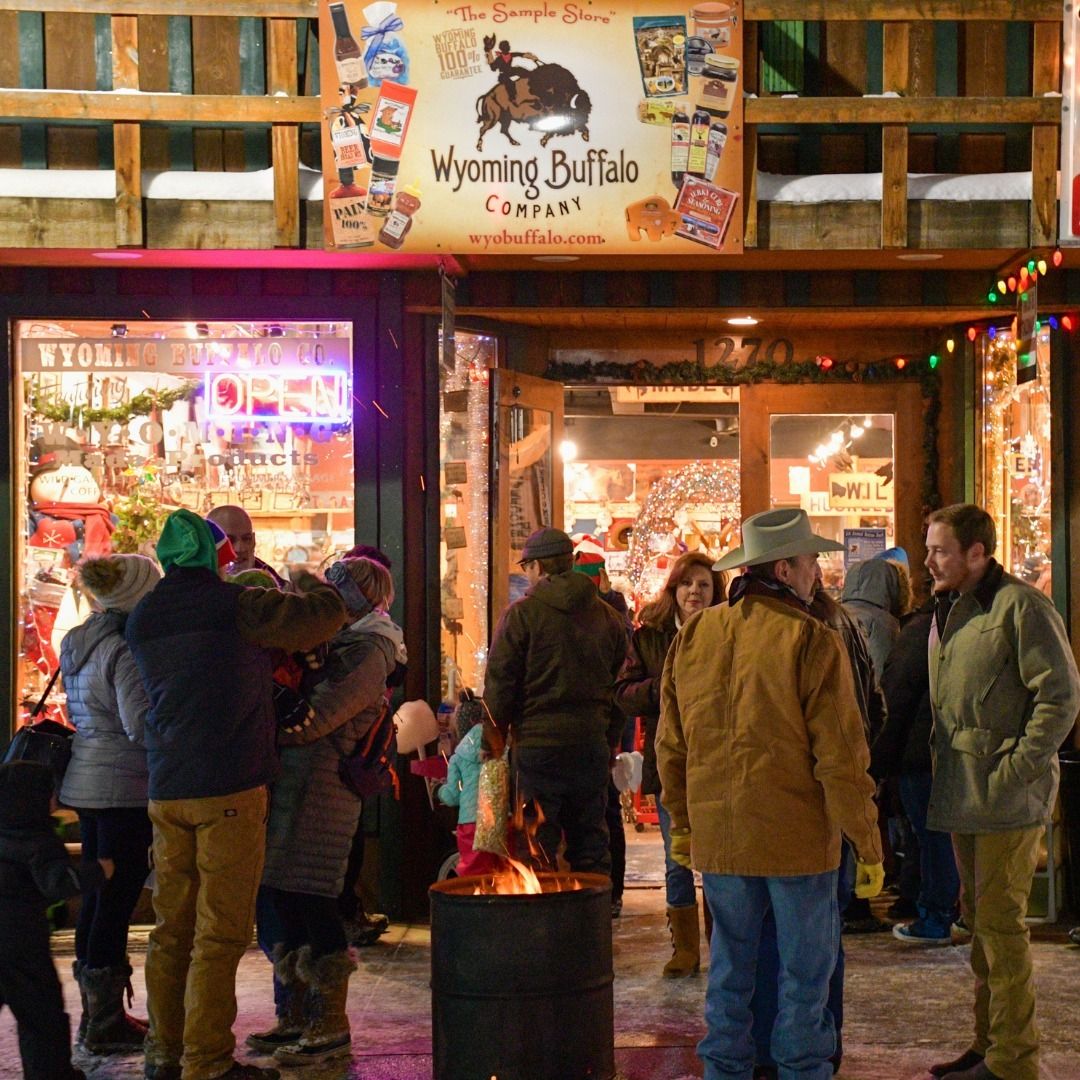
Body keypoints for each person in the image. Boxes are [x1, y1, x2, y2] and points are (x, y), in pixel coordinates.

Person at [656, 508, 883, 1080]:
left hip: (721, 839)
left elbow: (670, 746)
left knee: (731, 967)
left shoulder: (696, 636)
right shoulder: (811, 638)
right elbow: (842, 755)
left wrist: (682, 824)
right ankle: (802, 1070)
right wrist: (868, 842)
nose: (818, 573)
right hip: (796, 839)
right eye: (811, 562)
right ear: (785, 568)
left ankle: (725, 1069)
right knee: (805, 974)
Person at [125, 508, 346, 1080]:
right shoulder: (236, 606)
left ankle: (163, 1053)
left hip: (167, 786)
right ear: (213, 555)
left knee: (171, 930)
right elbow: (322, 619)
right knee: (219, 932)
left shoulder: (144, 615)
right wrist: (308, 580)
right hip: (228, 784)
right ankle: (207, 1062)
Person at [923, 504, 1080, 1080]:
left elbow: (1060, 696)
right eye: (929, 548)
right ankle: (989, 1042)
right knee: (979, 921)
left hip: (1005, 795)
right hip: (965, 789)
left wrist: (1016, 769)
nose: (929, 560)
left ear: (976, 553)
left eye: (940, 550)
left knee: (1002, 926)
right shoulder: (955, 607)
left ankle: (1014, 1060)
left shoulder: (1021, 606)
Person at [252, 556, 405, 1067]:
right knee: (286, 898)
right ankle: (295, 1012)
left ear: (365, 595)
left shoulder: (369, 650)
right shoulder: (340, 643)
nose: (334, 594)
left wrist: (272, 727)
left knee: (315, 899)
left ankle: (329, 1020)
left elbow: (319, 718)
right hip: (297, 783)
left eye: (344, 586)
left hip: (324, 791)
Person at [59, 554, 161, 1054]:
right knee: (116, 900)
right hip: (122, 785)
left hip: (86, 779)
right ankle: (105, 1022)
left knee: (97, 898)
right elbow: (137, 723)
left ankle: (95, 1015)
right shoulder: (123, 649)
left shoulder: (77, 639)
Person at [484, 527, 628, 877]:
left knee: (536, 847)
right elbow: (619, 690)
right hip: (590, 746)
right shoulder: (608, 617)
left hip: (537, 749)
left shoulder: (521, 615)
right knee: (591, 843)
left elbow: (500, 685)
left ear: (536, 567)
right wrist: (608, 744)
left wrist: (492, 744)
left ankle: (540, 926)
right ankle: (593, 922)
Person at [615, 550, 724, 974]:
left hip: (717, 759)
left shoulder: (727, 630)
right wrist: (668, 689)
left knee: (717, 857)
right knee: (676, 856)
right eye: (687, 584)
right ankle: (685, 950)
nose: (695, 592)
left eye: (704, 585)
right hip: (670, 761)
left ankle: (723, 947)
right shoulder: (650, 637)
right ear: (674, 588)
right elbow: (623, 694)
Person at [0, 760, 113, 1080]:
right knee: (41, 1014)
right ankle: (49, 1073)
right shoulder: (37, 839)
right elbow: (58, 882)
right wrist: (98, 872)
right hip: (22, 944)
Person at [874, 595, 960, 944]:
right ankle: (951, 912)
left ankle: (935, 916)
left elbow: (895, 698)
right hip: (951, 751)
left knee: (930, 837)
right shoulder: (960, 624)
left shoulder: (919, 631)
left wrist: (879, 762)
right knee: (944, 838)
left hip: (919, 753)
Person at [437, 693, 501, 878]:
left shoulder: (458, 757)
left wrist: (438, 790)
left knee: (473, 874)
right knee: (501, 873)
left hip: (471, 822)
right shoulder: (499, 747)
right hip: (498, 819)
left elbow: (453, 795)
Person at [206, 505, 286, 586]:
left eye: (246, 539)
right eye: (229, 540)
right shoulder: (196, 587)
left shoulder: (280, 589)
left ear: (254, 541)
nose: (240, 549)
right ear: (208, 544)